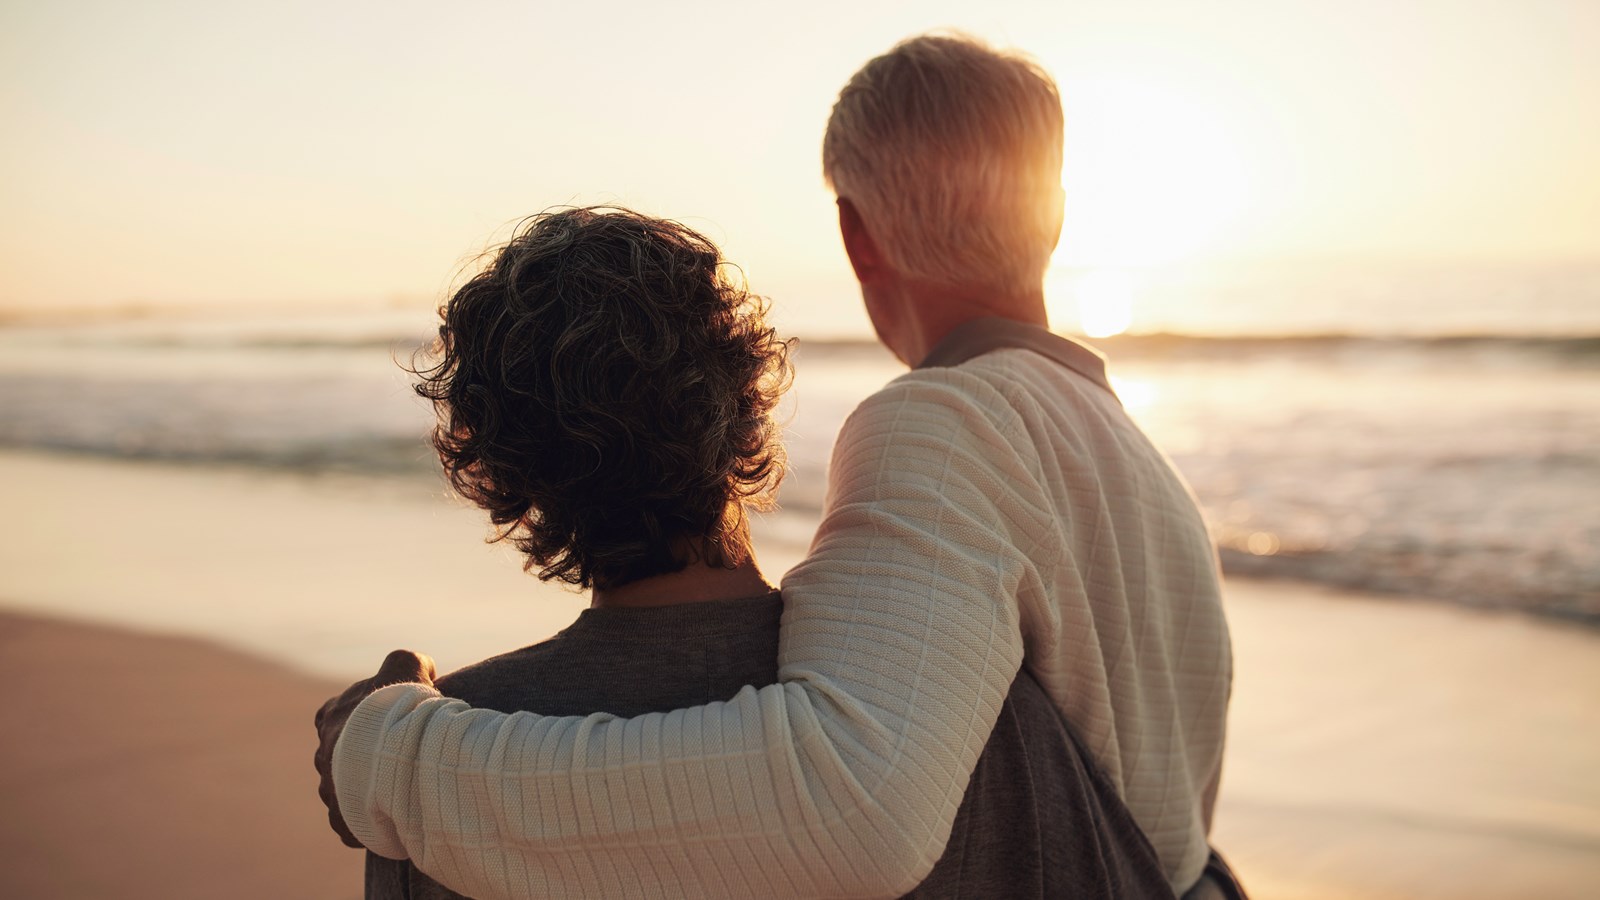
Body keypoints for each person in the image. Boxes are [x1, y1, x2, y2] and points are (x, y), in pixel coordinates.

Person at [316, 33, 1237, 899]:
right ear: (1059, 214)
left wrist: (395, 766)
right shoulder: (1148, 469)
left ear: (856, 235)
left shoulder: (948, 422)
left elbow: (856, 807)